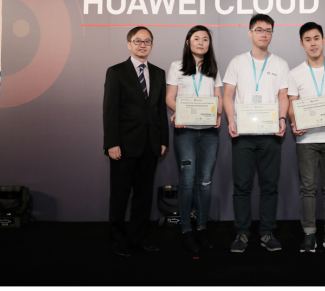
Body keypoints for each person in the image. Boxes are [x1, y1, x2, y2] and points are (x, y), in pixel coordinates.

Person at [223, 13, 290, 252]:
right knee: (242, 187)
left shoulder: (280, 64)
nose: (264, 34)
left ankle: (266, 232)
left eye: (268, 30)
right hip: (243, 135)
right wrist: (231, 120)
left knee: (269, 186)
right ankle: (242, 233)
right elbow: (227, 95)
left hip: (270, 134)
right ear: (250, 32)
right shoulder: (237, 62)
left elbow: (283, 96)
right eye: (259, 30)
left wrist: (282, 118)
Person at [103, 26, 169, 257]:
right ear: (129, 44)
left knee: (143, 197)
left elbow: (160, 110)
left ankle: (138, 239)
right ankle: (117, 242)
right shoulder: (116, 72)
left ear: (152, 45)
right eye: (138, 41)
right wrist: (112, 143)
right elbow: (109, 110)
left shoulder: (159, 73)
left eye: (147, 41)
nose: (142, 45)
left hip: (151, 145)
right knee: (120, 197)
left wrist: (163, 140)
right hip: (123, 146)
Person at [287, 22, 325, 252]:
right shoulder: (295, 73)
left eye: (316, 38)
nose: (313, 43)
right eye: (308, 39)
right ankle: (309, 234)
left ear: (323, 40)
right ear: (301, 43)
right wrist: (294, 121)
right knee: (308, 188)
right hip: (306, 139)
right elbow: (292, 104)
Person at [166, 25, 223, 252]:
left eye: (205, 39)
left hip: (209, 132)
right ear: (188, 42)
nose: (201, 42)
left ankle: (202, 228)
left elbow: (218, 97)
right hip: (186, 131)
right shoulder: (177, 66)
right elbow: (170, 97)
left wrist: (219, 113)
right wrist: (179, 112)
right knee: (188, 180)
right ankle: (186, 230)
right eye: (197, 38)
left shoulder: (213, 68)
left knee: (205, 181)